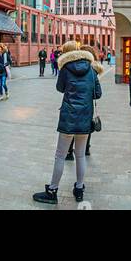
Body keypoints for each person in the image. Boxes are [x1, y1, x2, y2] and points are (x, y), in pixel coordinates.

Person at [33, 41, 103, 205]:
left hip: (68, 117)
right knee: (80, 155)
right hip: (85, 117)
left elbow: (60, 88)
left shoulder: (65, 68)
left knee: (60, 155)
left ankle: (52, 190)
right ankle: (79, 189)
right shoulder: (92, 69)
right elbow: (98, 93)